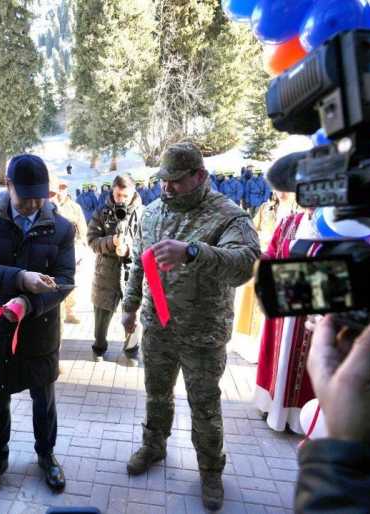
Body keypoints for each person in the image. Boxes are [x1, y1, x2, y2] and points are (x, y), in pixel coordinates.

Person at [120, 142, 260, 510]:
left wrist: (193, 252)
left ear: (200, 176)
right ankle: (154, 445)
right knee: (156, 394)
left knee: (205, 406)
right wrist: (130, 305)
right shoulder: (152, 213)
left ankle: (211, 471)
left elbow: (245, 263)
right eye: (163, 181)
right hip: (158, 327)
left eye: (177, 181)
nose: (167, 188)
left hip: (203, 334)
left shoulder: (228, 216)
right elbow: (140, 263)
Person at [0, 154, 75, 498]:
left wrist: (29, 303)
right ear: (8, 186)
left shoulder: (62, 228)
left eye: (41, 197)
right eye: (26, 197)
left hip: (40, 326)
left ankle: (46, 455)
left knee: (44, 399)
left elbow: (65, 279)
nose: (34, 204)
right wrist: (20, 278)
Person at [254, 206, 318, 433]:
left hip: (311, 307)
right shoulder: (289, 222)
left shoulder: (334, 228)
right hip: (283, 302)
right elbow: (273, 252)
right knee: (278, 357)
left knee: (306, 364)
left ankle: (298, 418)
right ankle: (272, 408)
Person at [87, 174, 143, 361]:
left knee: (133, 314)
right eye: (118, 195)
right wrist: (112, 242)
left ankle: (131, 350)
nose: (121, 199)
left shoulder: (143, 214)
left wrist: (128, 249)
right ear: (113, 191)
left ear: (133, 192)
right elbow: (92, 240)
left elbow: (148, 243)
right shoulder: (101, 212)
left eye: (125, 196)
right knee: (101, 314)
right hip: (106, 273)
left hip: (132, 274)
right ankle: (99, 347)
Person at [49, 174, 87, 324]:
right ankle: (57, 311)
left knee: (70, 279)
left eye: (64, 188)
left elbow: (82, 227)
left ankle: (70, 311)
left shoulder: (74, 207)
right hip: (52, 247)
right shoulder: (48, 205)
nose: (61, 191)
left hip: (72, 247)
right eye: (59, 188)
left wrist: (83, 244)